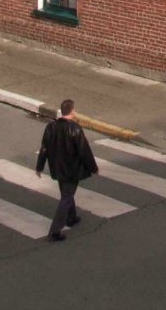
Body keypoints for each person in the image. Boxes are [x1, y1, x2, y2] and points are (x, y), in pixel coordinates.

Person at [35, 98, 97, 243]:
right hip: (72, 169)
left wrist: (39, 166)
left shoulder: (50, 127)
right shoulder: (75, 129)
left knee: (66, 192)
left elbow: (44, 148)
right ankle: (55, 231)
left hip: (57, 168)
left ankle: (71, 217)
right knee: (67, 197)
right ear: (72, 111)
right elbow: (84, 150)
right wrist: (93, 168)